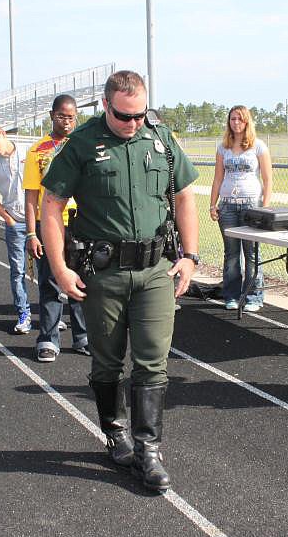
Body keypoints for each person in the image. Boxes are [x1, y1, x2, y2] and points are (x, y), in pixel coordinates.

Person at [40, 70, 200, 492]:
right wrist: (59, 266)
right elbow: (51, 204)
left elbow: (183, 194)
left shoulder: (160, 138)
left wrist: (190, 255)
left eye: (139, 115)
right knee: (107, 362)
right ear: (106, 107)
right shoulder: (81, 144)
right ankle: (116, 433)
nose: (133, 124)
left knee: (153, 361)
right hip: (103, 274)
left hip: (154, 272)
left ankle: (149, 451)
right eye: (124, 116)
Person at [23, 94, 89, 362]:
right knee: (51, 282)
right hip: (49, 225)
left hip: (80, 224)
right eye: (61, 116)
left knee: (81, 281)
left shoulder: (84, 147)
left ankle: (82, 336)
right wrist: (30, 232)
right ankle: (48, 339)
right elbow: (30, 196)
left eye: (71, 117)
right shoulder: (37, 151)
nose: (66, 121)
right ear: (52, 116)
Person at [208, 105, 273, 312]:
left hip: (251, 205)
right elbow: (218, 178)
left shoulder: (258, 146)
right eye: (232, 119)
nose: (235, 123)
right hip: (227, 206)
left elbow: (268, 179)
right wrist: (213, 204)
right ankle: (231, 295)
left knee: (252, 253)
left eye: (240, 119)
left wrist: (264, 207)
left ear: (247, 122)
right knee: (231, 253)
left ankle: (254, 296)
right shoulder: (223, 147)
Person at [0, 122, 31, 334]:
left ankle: (50, 314)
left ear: (3, 134)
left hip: (37, 220)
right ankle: (23, 313)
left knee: (48, 270)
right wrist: (7, 218)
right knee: (18, 270)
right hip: (15, 222)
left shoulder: (29, 152)